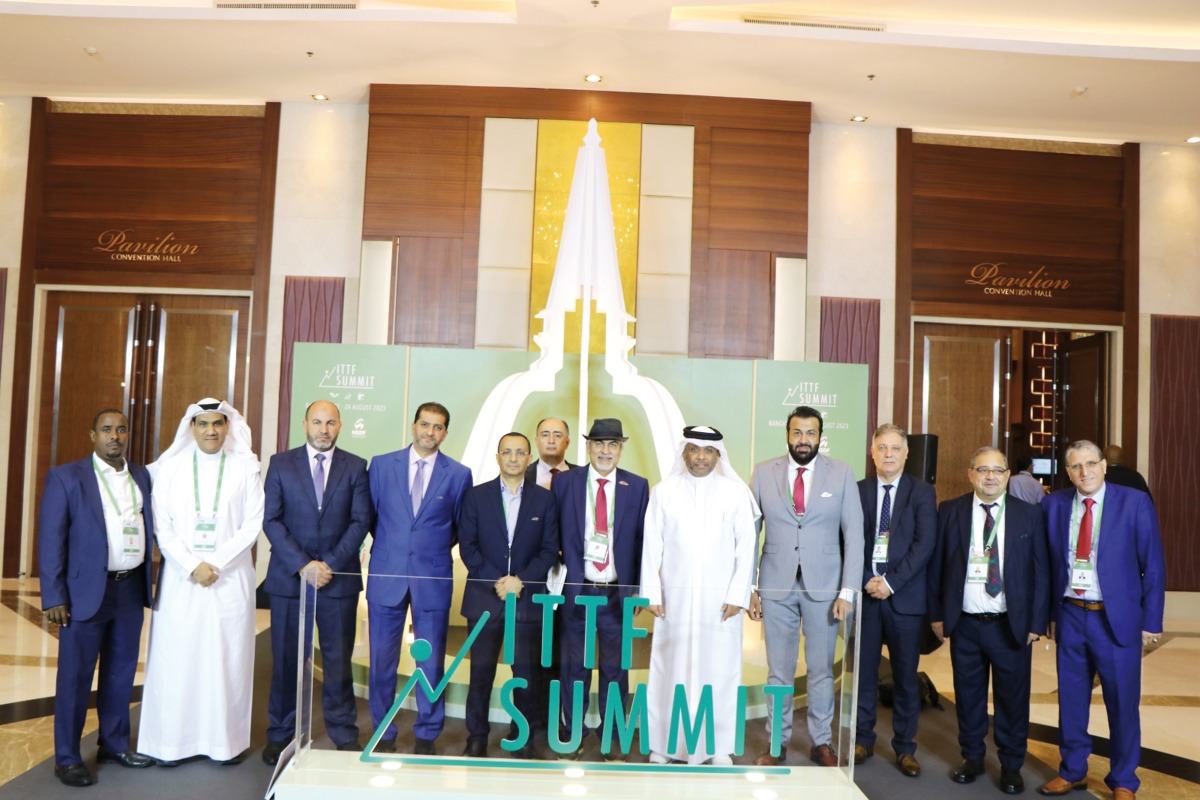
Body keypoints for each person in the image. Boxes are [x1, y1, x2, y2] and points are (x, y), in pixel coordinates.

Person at [139, 399, 265, 766]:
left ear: (228, 427)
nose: (211, 430)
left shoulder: (245, 468)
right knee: (178, 658)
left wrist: (217, 563)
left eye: (218, 424)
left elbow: (252, 523)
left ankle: (225, 744)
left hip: (230, 579)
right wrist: (194, 565)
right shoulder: (171, 470)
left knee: (227, 659)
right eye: (203, 424)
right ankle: (171, 744)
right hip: (182, 580)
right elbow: (162, 526)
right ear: (190, 428)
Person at [1037, 441, 1164, 800]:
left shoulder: (1133, 502)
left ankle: (1124, 780)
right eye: (1076, 466)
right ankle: (1073, 770)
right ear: (1068, 471)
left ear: (1104, 466)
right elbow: (1047, 565)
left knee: (1122, 702)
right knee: (1072, 700)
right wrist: (1050, 615)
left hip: (1116, 618)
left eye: (1091, 464)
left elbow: (1152, 564)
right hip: (1071, 616)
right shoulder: (1054, 505)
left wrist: (1152, 620)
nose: (1085, 472)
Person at [39, 409, 157, 787]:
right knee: (75, 678)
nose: (115, 436)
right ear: (93, 435)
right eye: (107, 430)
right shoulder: (66, 477)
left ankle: (114, 743)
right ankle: (68, 757)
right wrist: (54, 594)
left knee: (121, 672)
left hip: (129, 588)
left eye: (121, 429)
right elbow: (51, 541)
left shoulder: (141, 476)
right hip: (84, 593)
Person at [748, 405, 864, 767]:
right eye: (797, 433)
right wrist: (749, 586)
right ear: (787, 435)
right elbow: (749, 533)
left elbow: (855, 535)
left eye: (810, 433)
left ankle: (821, 742)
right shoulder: (764, 472)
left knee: (820, 669)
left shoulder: (841, 473)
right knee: (778, 671)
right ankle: (777, 743)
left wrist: (847, 591)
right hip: (775, 586)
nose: (803, 440)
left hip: (825, 588)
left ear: (820, 436)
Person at [928, 446, 1048, 795]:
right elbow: (938, 569)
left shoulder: (1029, 515)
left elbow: (1041, 572)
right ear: (971, 474)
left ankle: (1011, 765)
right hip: (965, 624)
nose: (991, 476)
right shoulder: (950, 510)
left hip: (1010, 625)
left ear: (1008, 475)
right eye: (983, 470)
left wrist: (1036, 622)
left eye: (998, 470)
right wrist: (937, 615)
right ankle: (973, 757)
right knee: (968, 696)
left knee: (1013, 699)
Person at [261, 400, 373, 764]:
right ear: (305, 424)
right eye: (317, 422)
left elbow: (360, 521)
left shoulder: (356, 466)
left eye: (330, 423)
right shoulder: (280, 464)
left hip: (336, 581)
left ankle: (342, 732)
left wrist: (329, 565)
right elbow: (272, 521)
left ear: (340, 426)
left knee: (339, 662)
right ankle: (280, 734)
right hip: (289, 581)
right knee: (285, 663)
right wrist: (303, 564)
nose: (323, 430)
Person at [641, 426, 758, 765]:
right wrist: (651, 592)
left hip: (720, 605)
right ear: (685, 453)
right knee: (669, 669)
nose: (701, 457)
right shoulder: (664, 492)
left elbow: (746, 548)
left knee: (720, 670)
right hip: (674, 603)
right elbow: (652, 547)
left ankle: (717, 747)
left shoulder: (735, 494)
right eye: (694, 450)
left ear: (718, 455)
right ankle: (664, 745)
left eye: (708, 451)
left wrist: (738, 594)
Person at [365, 402, 473, 754]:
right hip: (387, 573)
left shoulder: (458, 474)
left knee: (431, 661)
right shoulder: (381, 466)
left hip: (433, 577)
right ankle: (383, 730)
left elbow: (457, 528)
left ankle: (427, 732)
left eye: (438, 427)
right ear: (413, 426)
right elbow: (371, 517)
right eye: (425, 425)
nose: (430, 432)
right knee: (382, 659)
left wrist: (427, 549)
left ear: (445, 432)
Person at [458, 432, 559, 759]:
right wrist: (499, 581)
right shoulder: (475, 496)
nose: (514, 458)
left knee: (526, 674)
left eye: (520, 453)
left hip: (527, 600)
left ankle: (524, 735)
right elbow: (468, 548)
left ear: (529, 458)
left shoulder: (545, 500)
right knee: (480, 673)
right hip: (485, 600)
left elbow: (548, 551)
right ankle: (476, 736)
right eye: (507, 452)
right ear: (497, 457)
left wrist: (521, 581)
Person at [553, 418, 649, 759]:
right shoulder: (565, 483)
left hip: (615, 594)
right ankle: (572, 733)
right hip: (577, 591)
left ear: (621, 449)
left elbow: (642, 541)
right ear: (588, 448)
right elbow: (553, 533)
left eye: (612, 445)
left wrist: (637, 588)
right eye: (598, 444)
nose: (605, 451)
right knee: (573, 667)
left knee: (614, 669)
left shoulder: (637, 486)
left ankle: (611, 737)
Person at [854, 423, 937, 777]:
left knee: (904, 678)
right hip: (866, 595)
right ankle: (862, 739)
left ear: (906, 454)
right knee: (864, 675)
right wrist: (867, 581)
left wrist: (889, 582)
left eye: (894, 448)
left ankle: (905, 747)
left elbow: (924, 546)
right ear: (872, 453)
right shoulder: (857, 490)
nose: (888, 454)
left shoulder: (922, 492)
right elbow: (847, 542)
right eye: (881, 448)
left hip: (903, 599)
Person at [526, 417, 576, 489]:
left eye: (557, 436)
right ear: (537, 441)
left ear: (567, 443)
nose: (551, 441)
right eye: (545, 435)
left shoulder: (583, 475)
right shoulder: (523, 474)